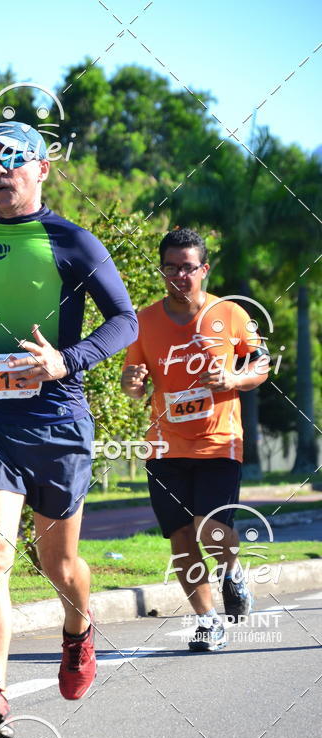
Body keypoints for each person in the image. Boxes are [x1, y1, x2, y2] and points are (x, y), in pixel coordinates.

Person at [0, 121, 137, 738]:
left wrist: (66, 360)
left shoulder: (73, 243)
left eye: (13, 162)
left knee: (58, 562)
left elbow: (125, 322)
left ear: (42, 168)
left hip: (57, 420)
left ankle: (79, 632)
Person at [122, 228, 269, 651]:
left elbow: (261, 366)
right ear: (162, 270)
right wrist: (132, 384)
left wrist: (234, 377)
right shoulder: (143, 321)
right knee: (182, 538)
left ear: (203, 269)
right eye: (171, 268)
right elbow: (134, 384)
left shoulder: (230, 314)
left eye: (188, 268)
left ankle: (233, 572)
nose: (179, 276)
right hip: (164, 445)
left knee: (210, 527)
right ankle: (208, 621)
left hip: (219, 440)